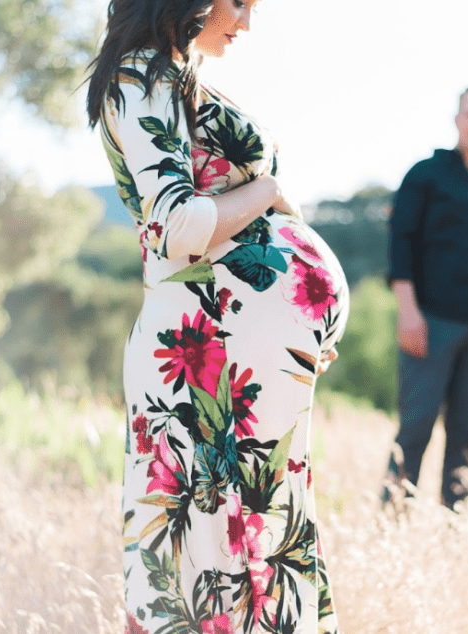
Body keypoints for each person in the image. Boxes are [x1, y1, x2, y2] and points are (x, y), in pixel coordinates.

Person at [85, 1, 347, 632]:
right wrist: (272, 192)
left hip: (236, 347)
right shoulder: (139, 77)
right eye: (239, 3)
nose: (248, 23)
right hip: (203, 358)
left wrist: (294, 324)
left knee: (252, 540)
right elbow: (178, 225)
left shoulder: (175, 75)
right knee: (217, 551)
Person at [383, 86, 468, 511]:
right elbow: (400, 243)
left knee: (465, 432)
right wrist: (407, 314)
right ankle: (391, 525)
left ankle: (454, 526)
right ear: (456, 119)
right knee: (416, 426)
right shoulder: (424, 174)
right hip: (430, 321)